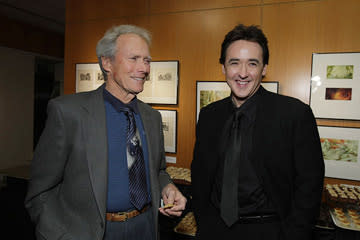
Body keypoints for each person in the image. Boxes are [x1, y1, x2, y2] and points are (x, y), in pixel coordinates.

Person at [25, 24, 186, 240]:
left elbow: (158, 170)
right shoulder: (69, 113)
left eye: (146, 60)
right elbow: (40, 190)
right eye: (134, 58)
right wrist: (57, 234)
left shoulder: (152, 117)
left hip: (146, 227)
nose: (144, 68)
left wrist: (168, 186)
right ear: (107, 62)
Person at [191, 24, 324, 240]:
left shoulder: (294, 114)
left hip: (270, 231)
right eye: (234, 63)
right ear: (223, 68)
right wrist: (204, 223)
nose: (243, 73)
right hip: (214, 229)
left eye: (252, 64)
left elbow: (309, 185)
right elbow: (200, 176)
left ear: (264, 69)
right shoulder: (209, 115)